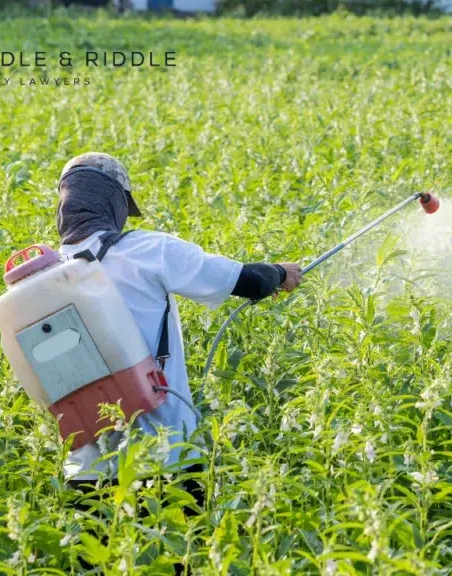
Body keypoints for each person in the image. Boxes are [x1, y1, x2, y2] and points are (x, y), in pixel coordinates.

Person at [55, 152, 301, 560]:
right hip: (164, 457)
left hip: (87, 470)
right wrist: (279, 273)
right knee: (176, 561)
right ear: (114, 203)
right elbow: (245, 280)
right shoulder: (146, 249)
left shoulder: (41, 275)